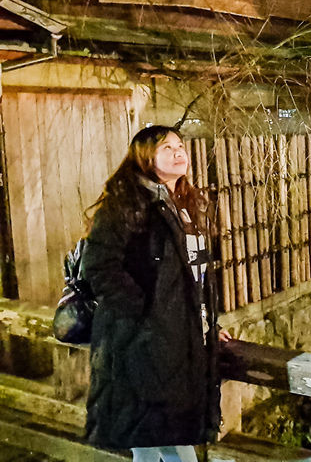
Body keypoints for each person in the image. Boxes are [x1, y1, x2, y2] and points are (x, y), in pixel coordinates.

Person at [82, 125, 229, 462]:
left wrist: (207, 325)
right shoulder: (127, 204)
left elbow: (195, 276)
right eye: (167, 148)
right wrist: (145, 314)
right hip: (143, 344)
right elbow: (100, 268)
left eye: (180, 146)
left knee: (159, 440)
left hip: (179, 340)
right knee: (160, 441)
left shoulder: (187, 205)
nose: (179, 153)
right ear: (146, 158)